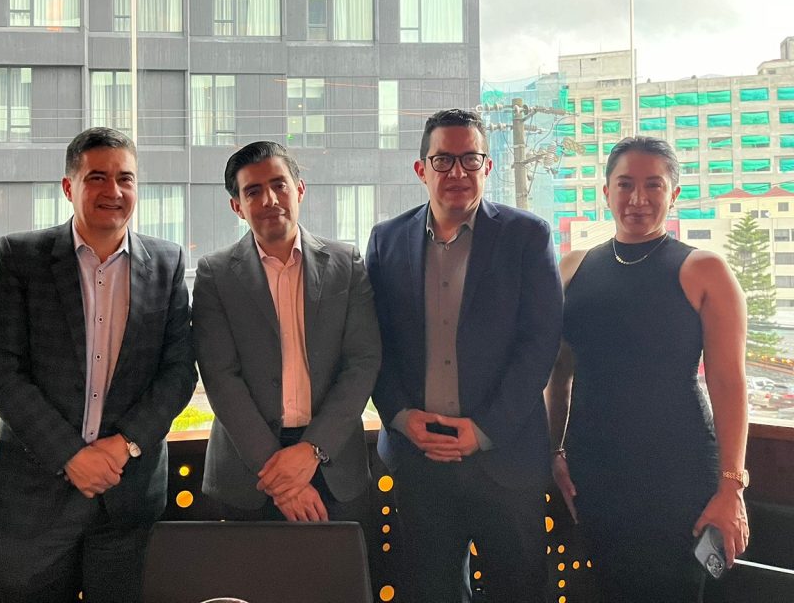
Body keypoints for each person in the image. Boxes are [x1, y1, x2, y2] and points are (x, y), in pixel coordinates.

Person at [0, 128, 196, 603]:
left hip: (127, 497)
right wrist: (71, 456)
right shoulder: (22, 256)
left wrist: (124, 445)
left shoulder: (167, 262)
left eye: (125, 178)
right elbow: (3, 371)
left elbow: (179, 371)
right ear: (69, 186)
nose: (113, 190)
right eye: (97, 177)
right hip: (34, 499)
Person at [366, 109, 562, 602]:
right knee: (429, 590)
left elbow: (539, 343)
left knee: (517, 592)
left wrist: (485, 429)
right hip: (419, 461)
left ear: (487, 166)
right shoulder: (386, 240)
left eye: (470, 159)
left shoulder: (527, 236)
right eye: (443, 160)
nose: (458, 171)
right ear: (422, 169)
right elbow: (371, 343)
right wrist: (399, 415)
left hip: (506, 459)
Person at [546, 136, 750, 602]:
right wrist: (554, 451)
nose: (638, 198)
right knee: (606, 588)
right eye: (625, 184)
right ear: (606, 192)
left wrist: (731, 488)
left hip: (677, 471)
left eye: (653, 185)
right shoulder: (573, 268)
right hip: (593, 469)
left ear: (673, 193)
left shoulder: (705, 270)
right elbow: (558, 373)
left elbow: (729, 384)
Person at [192, 141, 381, 523]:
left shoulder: (345, 263)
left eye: (279, 185)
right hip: (249, 474)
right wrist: (281, 477)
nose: (270, 199)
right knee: (249, 567)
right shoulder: (216, 274)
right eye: (253, 191)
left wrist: (312, 449)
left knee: (339, 565)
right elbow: (220, 376)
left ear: (300, 189)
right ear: (237, 206)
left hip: (333, 463)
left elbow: (362, 362)